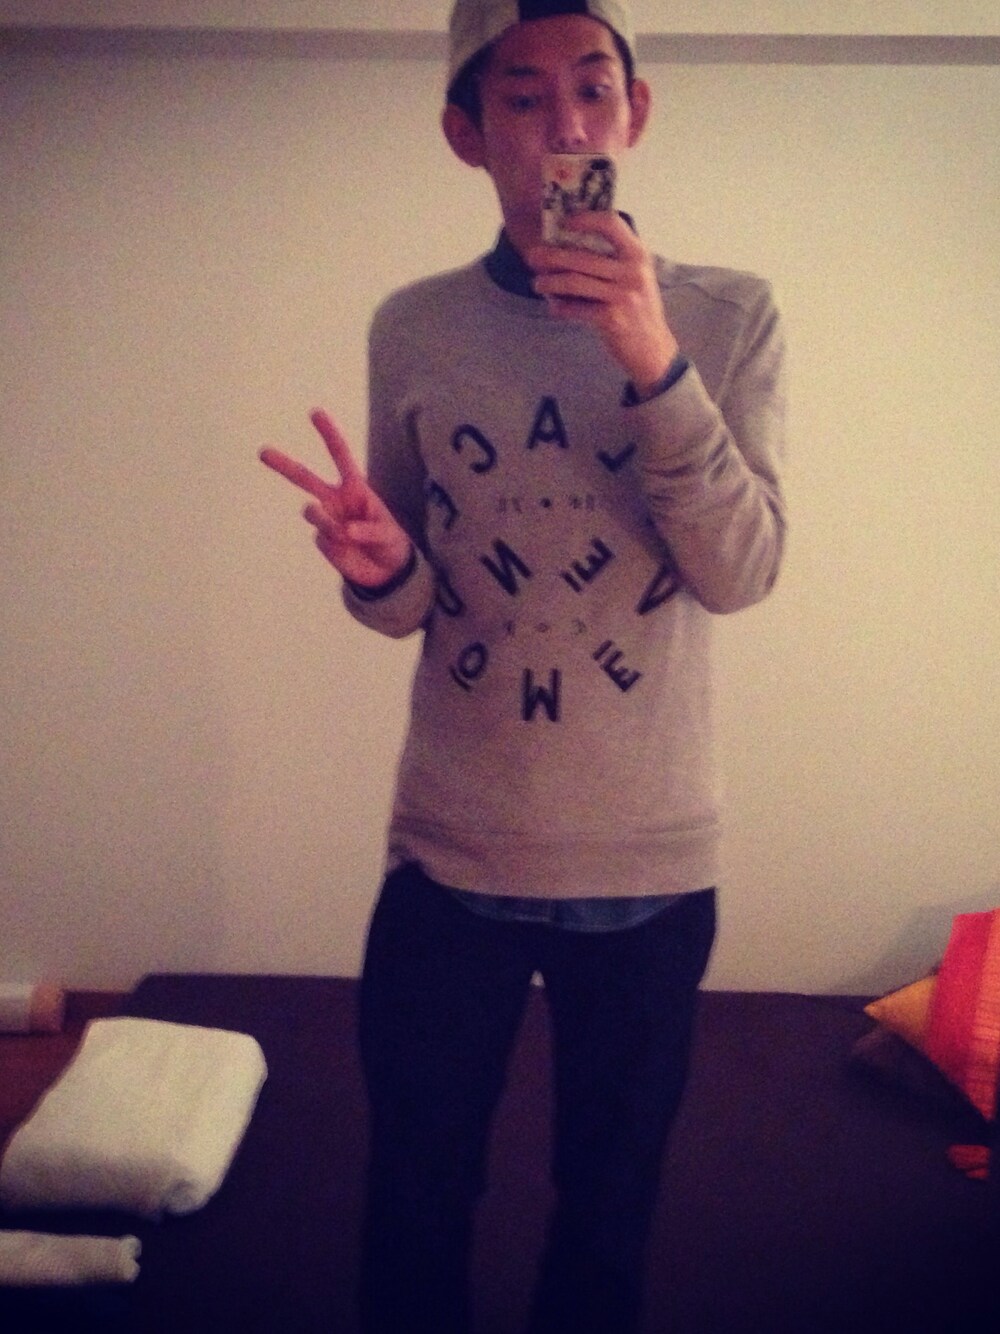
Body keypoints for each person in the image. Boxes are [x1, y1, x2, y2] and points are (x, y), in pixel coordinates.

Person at [260, 2, 786, 1331]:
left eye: (594, 91)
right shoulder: (415, 327)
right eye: (523, 98)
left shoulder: (730, 316)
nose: (566, 130)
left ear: (636, 111)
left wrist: (650, 358)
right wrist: (378, 562)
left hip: (651, 856)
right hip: (453, 850)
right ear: (466, 132)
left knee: (607, 1220)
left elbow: (742, 570)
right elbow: (408, 605)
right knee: (413, 1200)